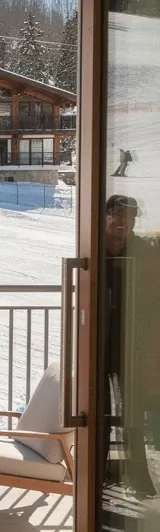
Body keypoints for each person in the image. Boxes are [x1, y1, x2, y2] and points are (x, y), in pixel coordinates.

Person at [103, 194, 158, 497]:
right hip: (98, 340)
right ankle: (95, 475)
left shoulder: (144, 250)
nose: (123, 221)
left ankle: (137, 476)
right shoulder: (93, 246)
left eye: (129, 216)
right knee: (96, 411)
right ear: (106, 217)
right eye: (116, 214)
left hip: (132, 340)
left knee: (132, 411)